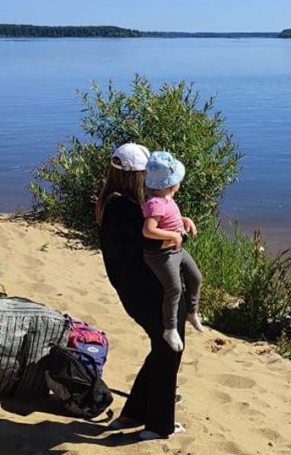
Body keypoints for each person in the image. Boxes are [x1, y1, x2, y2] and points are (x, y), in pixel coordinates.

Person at [96, 143, 186, 440]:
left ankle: (135, 411)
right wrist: (177, 233)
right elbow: (156, 242)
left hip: (135, 289)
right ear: (137, 175)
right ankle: (159, 424)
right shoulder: (126, 210)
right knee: (168, 350)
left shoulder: (113, 202)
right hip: (146, 291)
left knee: (162, 349)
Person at [141, 151, 204, 347]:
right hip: (161, 255)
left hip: (176, 251)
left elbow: (170, 219)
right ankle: (170, 329)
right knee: (174, 289)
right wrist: (174, 235)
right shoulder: (155, 203)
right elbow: (148, 230)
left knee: (196, 277)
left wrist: (185, 221)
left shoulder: (166, 199)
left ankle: (191, 312)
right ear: (171, 183)